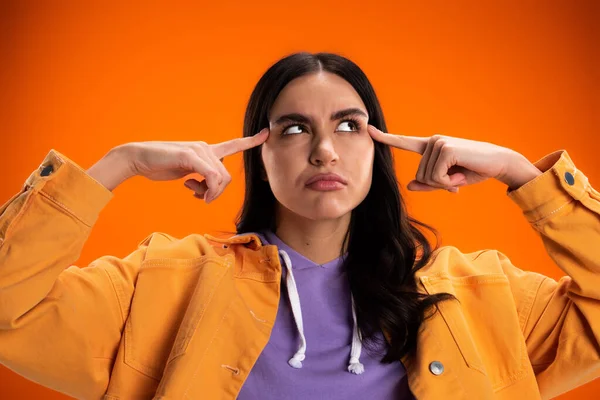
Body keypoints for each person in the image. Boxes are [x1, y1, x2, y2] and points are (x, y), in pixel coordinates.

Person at [0, 52, 598, 400]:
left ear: (379, 147)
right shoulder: (161, 282)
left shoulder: (481, 293)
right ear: (259, 153)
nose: (324, 152)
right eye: (292, 128)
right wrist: (116, 165)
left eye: (349, 126)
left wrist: (524, 174)